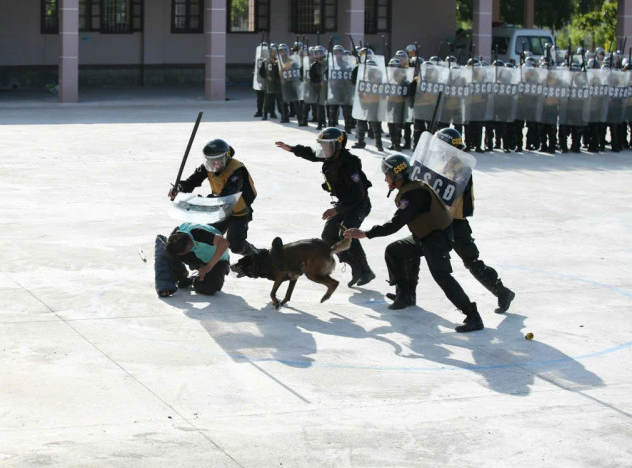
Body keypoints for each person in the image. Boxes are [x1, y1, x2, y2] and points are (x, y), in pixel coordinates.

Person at [343, 153, 484, 333]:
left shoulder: (412, 195)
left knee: (442, 276)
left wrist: (365, 233)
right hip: (424, 236)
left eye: (387, 175)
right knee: (395, 251)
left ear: (396, 176)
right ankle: (405, 295)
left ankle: (473, 316)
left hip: (436, 239)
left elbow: (395, 224)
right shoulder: (410, 187)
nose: (385, 179)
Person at [275, 127, 376, 287]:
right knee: (328, 235)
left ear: (337, 146)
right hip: (343, 204)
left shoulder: (349, 164)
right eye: (322, 145)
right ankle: (353, 264)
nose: (323, 149)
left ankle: (365, 270)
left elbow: (357, 196)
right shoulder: (331, 158)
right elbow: (311, 154)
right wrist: (292, 149)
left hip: (358, 205)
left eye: (327, 145)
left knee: (348, 232)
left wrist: (337, 210)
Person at [435, 128, 515, 314]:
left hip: (455, 224)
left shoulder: (462, 168)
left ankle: (502, 292)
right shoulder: (443, 166)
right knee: (411, 251)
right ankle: (405, 292)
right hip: (438, 221)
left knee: (472, 262)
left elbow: (451, 194)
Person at [168, 139, 259, 256]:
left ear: (226, 157)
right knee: (206, 238)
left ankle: (255, 254)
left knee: (236, 245)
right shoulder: (208, 166)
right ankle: (207, 262)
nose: (213, 164)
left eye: (217, 161)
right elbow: (193, 180)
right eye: (210, 161)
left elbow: (227, 196)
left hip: (238, 211)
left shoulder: (236, 170)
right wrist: (179, 188)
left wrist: (200, 203)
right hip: (220, 209)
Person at [165, 223, 230, 295]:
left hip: (218, 259)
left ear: (188, 244)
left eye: (184, 252)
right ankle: (181, 272)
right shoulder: (175, 236)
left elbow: (224, 243)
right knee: (170, 255)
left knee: (210, 288)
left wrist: (208, 266)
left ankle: (193, 279)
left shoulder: (198, 233)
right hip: (199, 256)